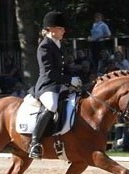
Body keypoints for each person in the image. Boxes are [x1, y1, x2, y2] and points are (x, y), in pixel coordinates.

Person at [28, 11, 82, 159]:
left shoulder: (58, 45)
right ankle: (35, 143)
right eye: (61, 28)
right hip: (47, 85)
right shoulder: (44, 46)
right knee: (51, 105)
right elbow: (50, 72)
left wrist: (75, 77)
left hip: (60, 85)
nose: (64, 31)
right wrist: (69, 80)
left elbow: (64, 68)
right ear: (51, 29)